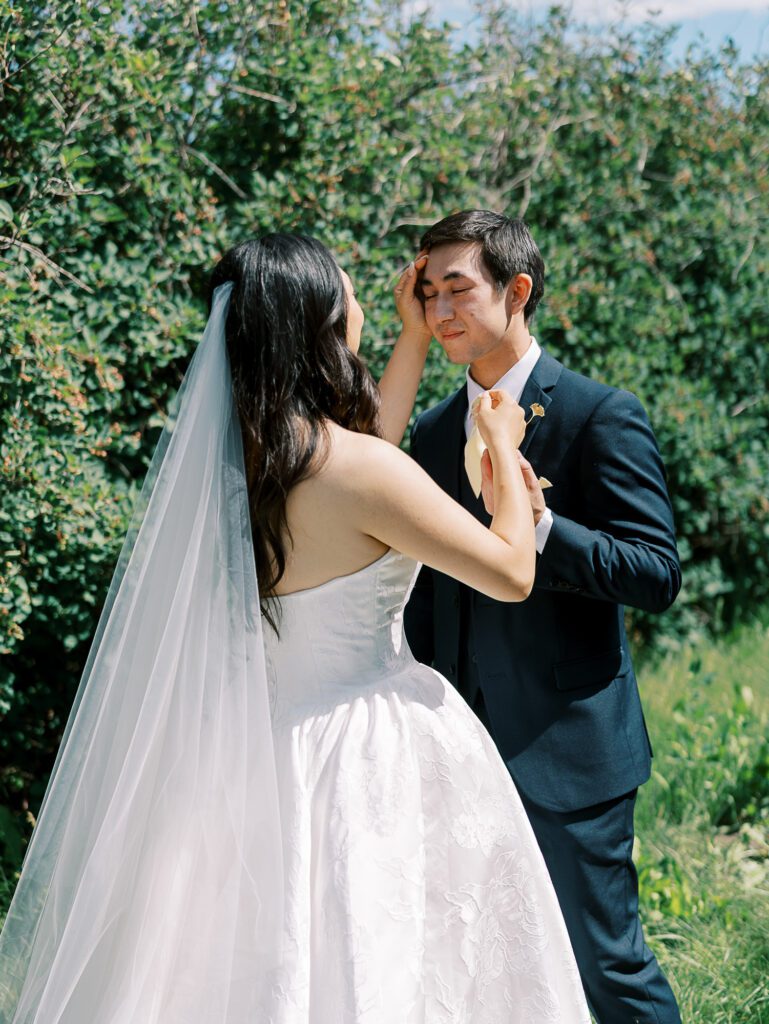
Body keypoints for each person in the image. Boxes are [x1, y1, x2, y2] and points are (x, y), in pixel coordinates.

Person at [0, 233, 591, 1023]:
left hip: (267, 750)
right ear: (315, 322)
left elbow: (369, 464)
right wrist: (501, 448)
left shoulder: (245, 464)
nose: (359, 308)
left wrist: (412, 338)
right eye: (347, 296)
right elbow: (511, 571)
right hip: (370, 746)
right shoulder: (359, 472)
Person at [404, 209, 683, 1023]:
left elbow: (654, 573)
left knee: (606, 970)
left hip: (570, 751)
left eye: (457, 289)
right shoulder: (427, 436)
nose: (441, 311)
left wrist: (542, 523)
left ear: (516, 290)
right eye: (426, 294)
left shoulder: (599, 414)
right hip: (459, 751)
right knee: (487, 974)